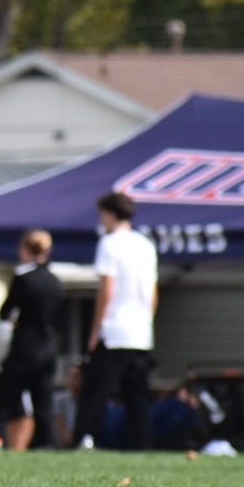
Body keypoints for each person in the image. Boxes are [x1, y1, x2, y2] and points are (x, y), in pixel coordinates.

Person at [76, 193, 159, 452]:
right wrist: (147, 323)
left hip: (114, 330)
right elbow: (154, 293)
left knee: (95, 391)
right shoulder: (146, 245)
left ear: (111, 214)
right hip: (140, 332)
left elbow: (106, 292)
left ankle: (83, 438)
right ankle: (142, 445)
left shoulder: (109, 244)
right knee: (138, 398)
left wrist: (94, 331)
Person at [0, 230, 63, 451]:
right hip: (49, 348)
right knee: (43, 402)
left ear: (25, 250)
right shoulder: (55, 281)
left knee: (2, 400)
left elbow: (5, 312)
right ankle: (46, 443)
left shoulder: (24, 278)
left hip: (25, 348)